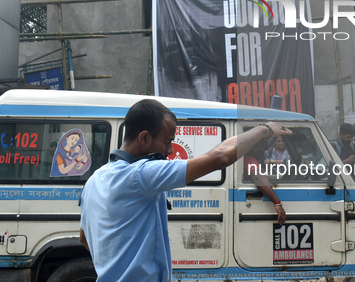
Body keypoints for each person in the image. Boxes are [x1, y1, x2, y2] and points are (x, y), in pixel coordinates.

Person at [79, 99, 291, 282]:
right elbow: (220, 158)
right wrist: (265, 129)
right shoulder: (141, 175)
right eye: (167, 141)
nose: (170, 150)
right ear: (144, 138)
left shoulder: (94, 181)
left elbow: (84, 239)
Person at [244, 141, 286, 224]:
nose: (261, 149)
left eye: (263, 145)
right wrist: (277, 203)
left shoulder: (254, 159)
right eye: (257, 145)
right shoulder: (250, 159)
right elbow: (258, 177)